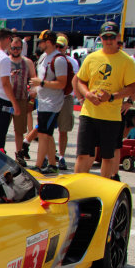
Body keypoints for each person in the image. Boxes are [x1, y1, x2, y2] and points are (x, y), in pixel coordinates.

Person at [73, 21, 135, 179]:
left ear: (118, 37)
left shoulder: (126, 61)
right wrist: (87, 95)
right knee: (83, 155)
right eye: (105, 37)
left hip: (111, 117)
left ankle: (104, 192)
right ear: (100, 39)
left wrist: (111, 97)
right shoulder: (91, 58)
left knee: (108, 157)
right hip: (89, 113)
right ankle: (78, 190)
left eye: (111, 37)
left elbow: (133, 87)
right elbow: (80, 80)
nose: (108, 40)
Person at [27, 30, 68, 174]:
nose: (39, 44)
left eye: (41, 42)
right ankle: (52, 164)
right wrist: (35, 89)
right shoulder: (44, 57)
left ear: (48, 42)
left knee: (44, 134)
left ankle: (38, 165)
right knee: (47, 134)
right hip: (43, 101)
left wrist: (42, 83)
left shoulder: (59, 60)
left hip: (52, 103)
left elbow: (62, 83)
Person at [5, 37, 34, 164]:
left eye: (18, 48)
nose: (15, 50)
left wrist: (32, 99)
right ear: (9, 48)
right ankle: (1, 152)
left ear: (22, 49)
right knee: (3, 127)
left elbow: (34, 80)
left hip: (21, 99)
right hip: (6, 99)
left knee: (19, 130)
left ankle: (19, 154)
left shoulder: (27, 62)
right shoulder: (5, 61)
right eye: (13, 48)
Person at [54, 35, 80, 170]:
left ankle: (62, 157)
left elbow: (76, 81)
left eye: (61, 47)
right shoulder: (48, 59)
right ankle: (49, 156)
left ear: (66, 48)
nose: (58, 49)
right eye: (56, 46)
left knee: (63, 129)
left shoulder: (72, 62)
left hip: (65, 98)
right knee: (45, 130)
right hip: (51, 98)